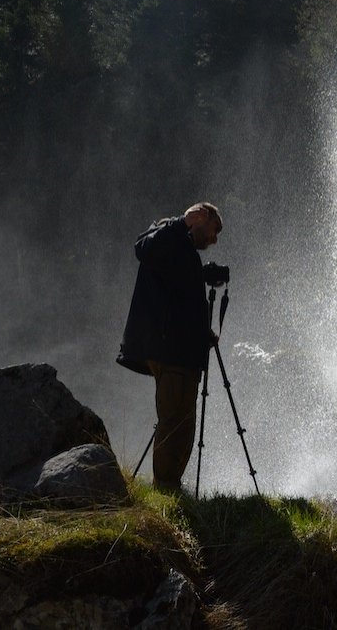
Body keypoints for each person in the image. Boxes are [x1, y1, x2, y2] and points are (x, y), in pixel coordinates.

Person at [118, 202, 223, 491]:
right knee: (175, 421)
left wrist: (204, 333)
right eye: (214, 231)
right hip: (171, 350)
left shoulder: (183, 250)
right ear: (200, 217)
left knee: (183, 420)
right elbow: (144, 249)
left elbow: (181, 299)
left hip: (183, 350)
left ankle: (170, 484)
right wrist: (180, 222)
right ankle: (165, 487)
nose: (215, 240)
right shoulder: (167, 232)